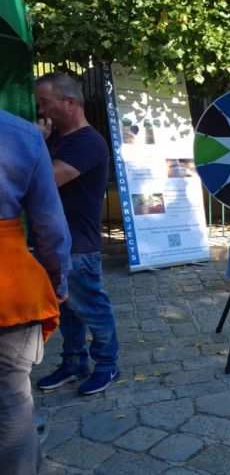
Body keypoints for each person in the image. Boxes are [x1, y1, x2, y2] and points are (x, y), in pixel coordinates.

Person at [34, 72, 121, 395]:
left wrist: (36, 143)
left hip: (78, 246)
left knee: (92, 307)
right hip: (55, 242)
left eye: (45, 102)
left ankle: (107, 364)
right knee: (66, 308)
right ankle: (74, 362)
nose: (40, 110)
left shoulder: (87, 143)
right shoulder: (58, 138)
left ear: (69, 103)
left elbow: (44, 180)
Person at [0, 109, 72, 475]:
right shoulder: (21, 134)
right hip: (9, 289)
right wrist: (58, 282)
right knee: (12, 401)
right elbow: (49, 224)